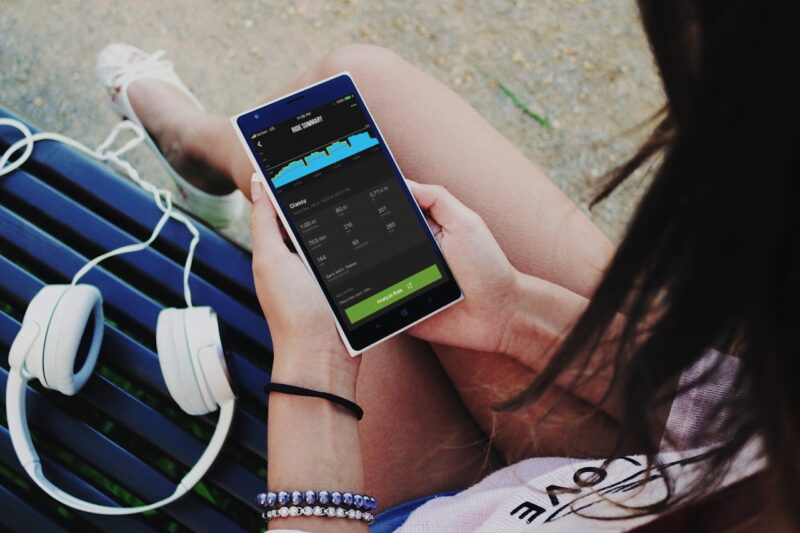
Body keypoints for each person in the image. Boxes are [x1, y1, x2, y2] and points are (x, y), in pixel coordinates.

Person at [95, 1, 798, 530]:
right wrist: (512, 312)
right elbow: (739, 416)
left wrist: (313, 367)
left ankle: (201, 149)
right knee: (347, 100)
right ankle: (205, 148)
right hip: (648, 455)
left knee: (317, 173)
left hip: (447, 512)